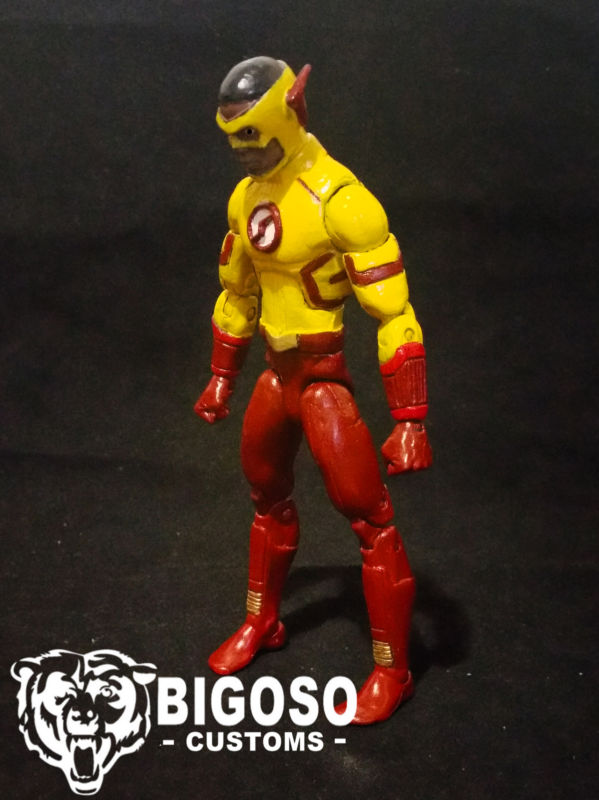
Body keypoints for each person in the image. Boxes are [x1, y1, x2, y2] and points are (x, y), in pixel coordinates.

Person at [194, 57, 432, 724]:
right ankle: (262, 621)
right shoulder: (244, 200)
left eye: (252, 135)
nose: (243, 153)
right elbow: (236, 296)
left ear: (292, 110)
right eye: (232, 139)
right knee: (265, 497)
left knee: (369, 518)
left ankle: (393, 669)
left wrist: (410, 419)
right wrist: (221, 376)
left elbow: (394, 313)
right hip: (275, 376)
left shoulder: (342, 201)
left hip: (322, 379)